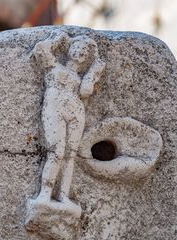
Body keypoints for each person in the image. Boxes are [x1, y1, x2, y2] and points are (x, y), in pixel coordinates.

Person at [32, 30, 105, 207]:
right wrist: (58, 39)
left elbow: (86, 92)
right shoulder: (54, 66)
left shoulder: (80, 78)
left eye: (84, 52)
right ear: (70, 48)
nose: (80, 52)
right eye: (77, 47)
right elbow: (40, 49)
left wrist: (94, 72)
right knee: (56, 152)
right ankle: (45, 193)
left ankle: (63, 195)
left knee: (70, 155)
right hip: (54, 108)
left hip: (75, 111)